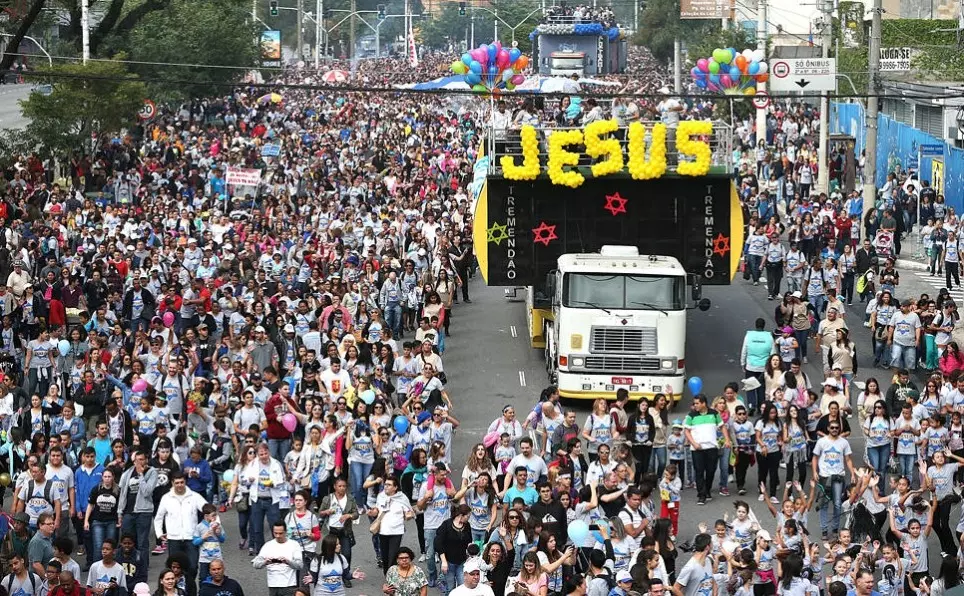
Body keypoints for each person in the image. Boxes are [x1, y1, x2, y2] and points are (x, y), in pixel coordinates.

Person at [154, 472, 206, 596]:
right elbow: (159, 517)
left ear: (185, 482)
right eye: (177, 483)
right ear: (172, 483)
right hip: (174, 539)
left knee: (192, 567)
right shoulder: (166, 498)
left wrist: (213, 526)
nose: (179, 485)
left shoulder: (194, 496)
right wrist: (159, 533)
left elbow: (208, 509)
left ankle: (189, 590)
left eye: (182, 482)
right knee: (174, 569)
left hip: (191, 538)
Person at [812, 419, 856, 539]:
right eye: (832, 427)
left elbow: (848, 459)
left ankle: (835, 528)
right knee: (823, 504)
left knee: (837, 503)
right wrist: (814, 472)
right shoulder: (821, 442)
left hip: (838, 477)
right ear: (828, 429)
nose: (835, 429)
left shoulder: (844, 442)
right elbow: (815, 457)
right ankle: (824, 530)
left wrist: (852, 473)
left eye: (837, 428)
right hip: (824, 477)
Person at [683, 394, 730, 506]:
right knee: (699, 471)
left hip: (712, 447)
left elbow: (722, 426)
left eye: (697, 403)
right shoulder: (691, 415)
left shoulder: (714, 414)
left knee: (711, 471)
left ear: (703, 403)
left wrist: (727, 440)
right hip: (697, 448)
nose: (695, 405)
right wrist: (694, 443)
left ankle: (707, 490)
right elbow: (686, 431)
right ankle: (701, 495)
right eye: (694, 403)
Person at [317, 477, 359, 588]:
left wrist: (348, 515)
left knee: (347, 554)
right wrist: (327, 511)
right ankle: (329, 575)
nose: (342, 488)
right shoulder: (328, 499)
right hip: (331, 530)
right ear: (335, 487)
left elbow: (356, 514)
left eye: (344, 486)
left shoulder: (350, 499)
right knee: (329, 553)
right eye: (339, 486)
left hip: (344, 531)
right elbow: (320, 513)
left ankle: (346, 576)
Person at [370, 476, 415, 575]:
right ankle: (387, 574)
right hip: (383, 531)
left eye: (389, 485)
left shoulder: (402, 497)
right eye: (385, 484)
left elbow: (408, 511)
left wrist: (408, 515)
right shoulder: (381, 496)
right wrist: (372, 512)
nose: (386, 487)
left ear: (395, 487)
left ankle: (392, 577)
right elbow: (377, 510)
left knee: (393, 556)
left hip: (396, 531)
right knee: (385, 557)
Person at [252, 521, 303, 596]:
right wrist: (265, 562)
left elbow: (300, 565)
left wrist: (287, 561)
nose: (278, 536)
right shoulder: (268, 545)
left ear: (285, 532)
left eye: (280, 533)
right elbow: (255, 564)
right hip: (273, 586)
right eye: (275, 533)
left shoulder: (294, 545)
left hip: (289, 585)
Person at [26, 512, 55, 578]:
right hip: (40, 580)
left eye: (53, 523)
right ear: (40, 525)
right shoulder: (37, 541)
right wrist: (47, 579)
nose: (52, 526)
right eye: (49, 524)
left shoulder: (48, 538)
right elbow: (36, 564)